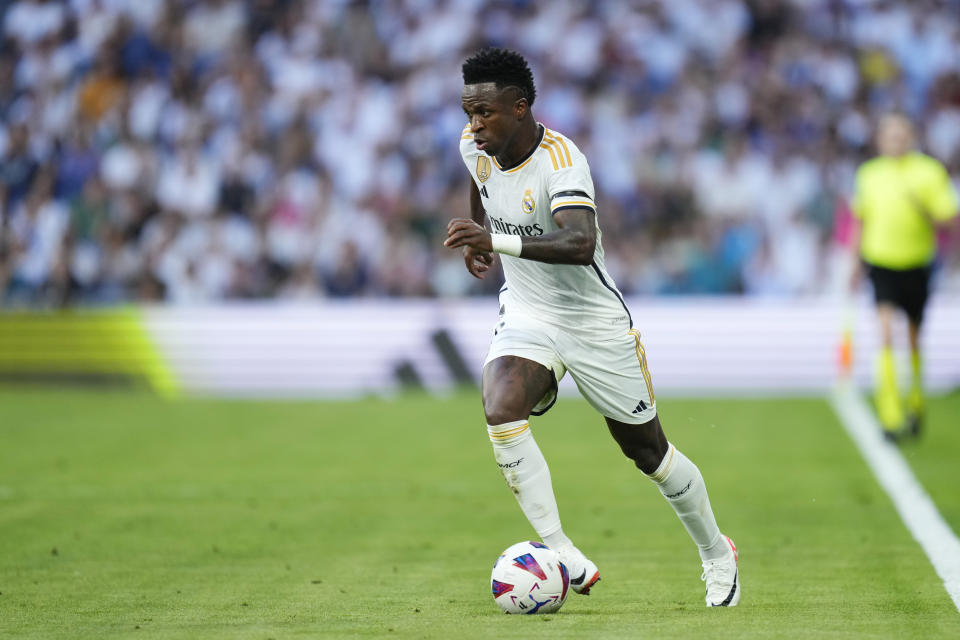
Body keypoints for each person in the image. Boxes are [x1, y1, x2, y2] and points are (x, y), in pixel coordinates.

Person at [444, 47, 740, 607]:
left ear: (520, 107)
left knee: (648, 453)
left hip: (592, 322)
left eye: (484, 113)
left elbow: (579, 244)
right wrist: (475, 233)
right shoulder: (474, 147)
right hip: (528, 312)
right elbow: (479, 183)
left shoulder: (562, 160)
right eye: (468, 113)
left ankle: (716, 552)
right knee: (499, 405)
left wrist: (496, 241)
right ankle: (561, 551)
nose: (473, 125)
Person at [850, 113, 958, 440]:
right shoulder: (869, 174)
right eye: (889, 135)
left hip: (916, 263)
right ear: (881, 140)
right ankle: (890, 415)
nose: (894, 140)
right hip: (881, 262)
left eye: (900, 135)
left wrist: (924, 209)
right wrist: (854, 264)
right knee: (884, 332)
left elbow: (948, 218)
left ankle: (915, 401)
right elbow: (860, 219)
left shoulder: (929, 172)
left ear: (910, 137)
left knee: (912, 336)